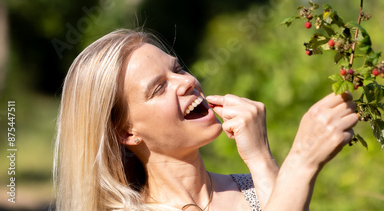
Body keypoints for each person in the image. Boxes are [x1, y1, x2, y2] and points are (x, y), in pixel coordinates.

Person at [53, 29, 358, 211]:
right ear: (126, 132)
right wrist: (301, 161)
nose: (185, 82)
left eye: (179, 68)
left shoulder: (254, 188)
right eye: (159, 87)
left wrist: (261, 158)